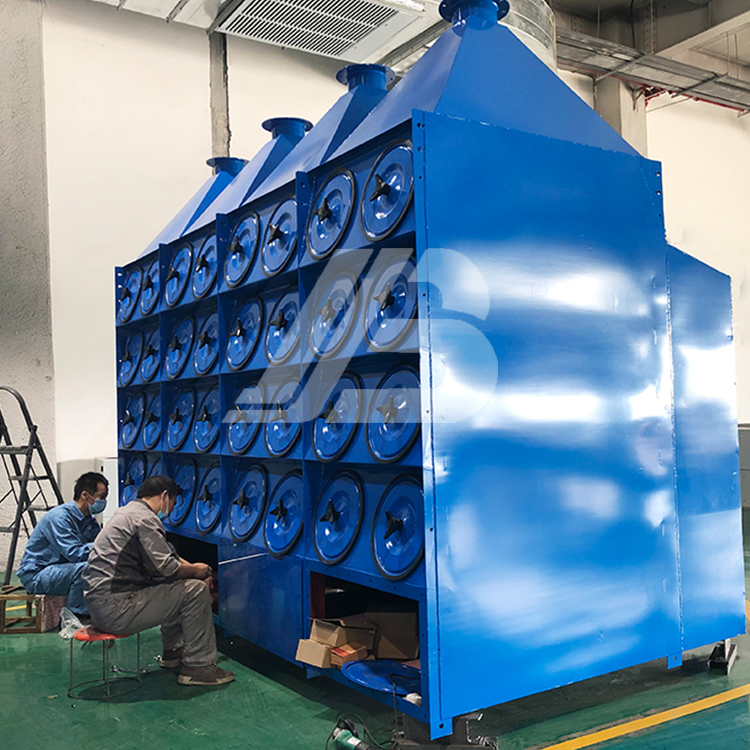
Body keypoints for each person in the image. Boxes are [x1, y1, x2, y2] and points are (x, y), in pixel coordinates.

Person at [82, 474, 234, 687]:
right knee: (196, 590)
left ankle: (173, 652)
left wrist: (192, 569)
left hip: (100, 609)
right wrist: (197, 571)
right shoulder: (145, 519)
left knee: (171, 586)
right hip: (117, 610)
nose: (171, 509)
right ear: (164, 496)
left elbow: (166, 555)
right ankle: (198, 667)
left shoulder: (127, 512)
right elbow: (168, 568)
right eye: (173, 502)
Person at [16, 472, 108, 618]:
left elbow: (99, 545)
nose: (103, 501)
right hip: (38, 575)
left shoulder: (88, 521)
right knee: (86, 568)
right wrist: (106, 545)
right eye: (101, 497)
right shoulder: (59, 518)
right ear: (85, 495)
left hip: (62, 570)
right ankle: (76, 616)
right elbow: (75, 554)